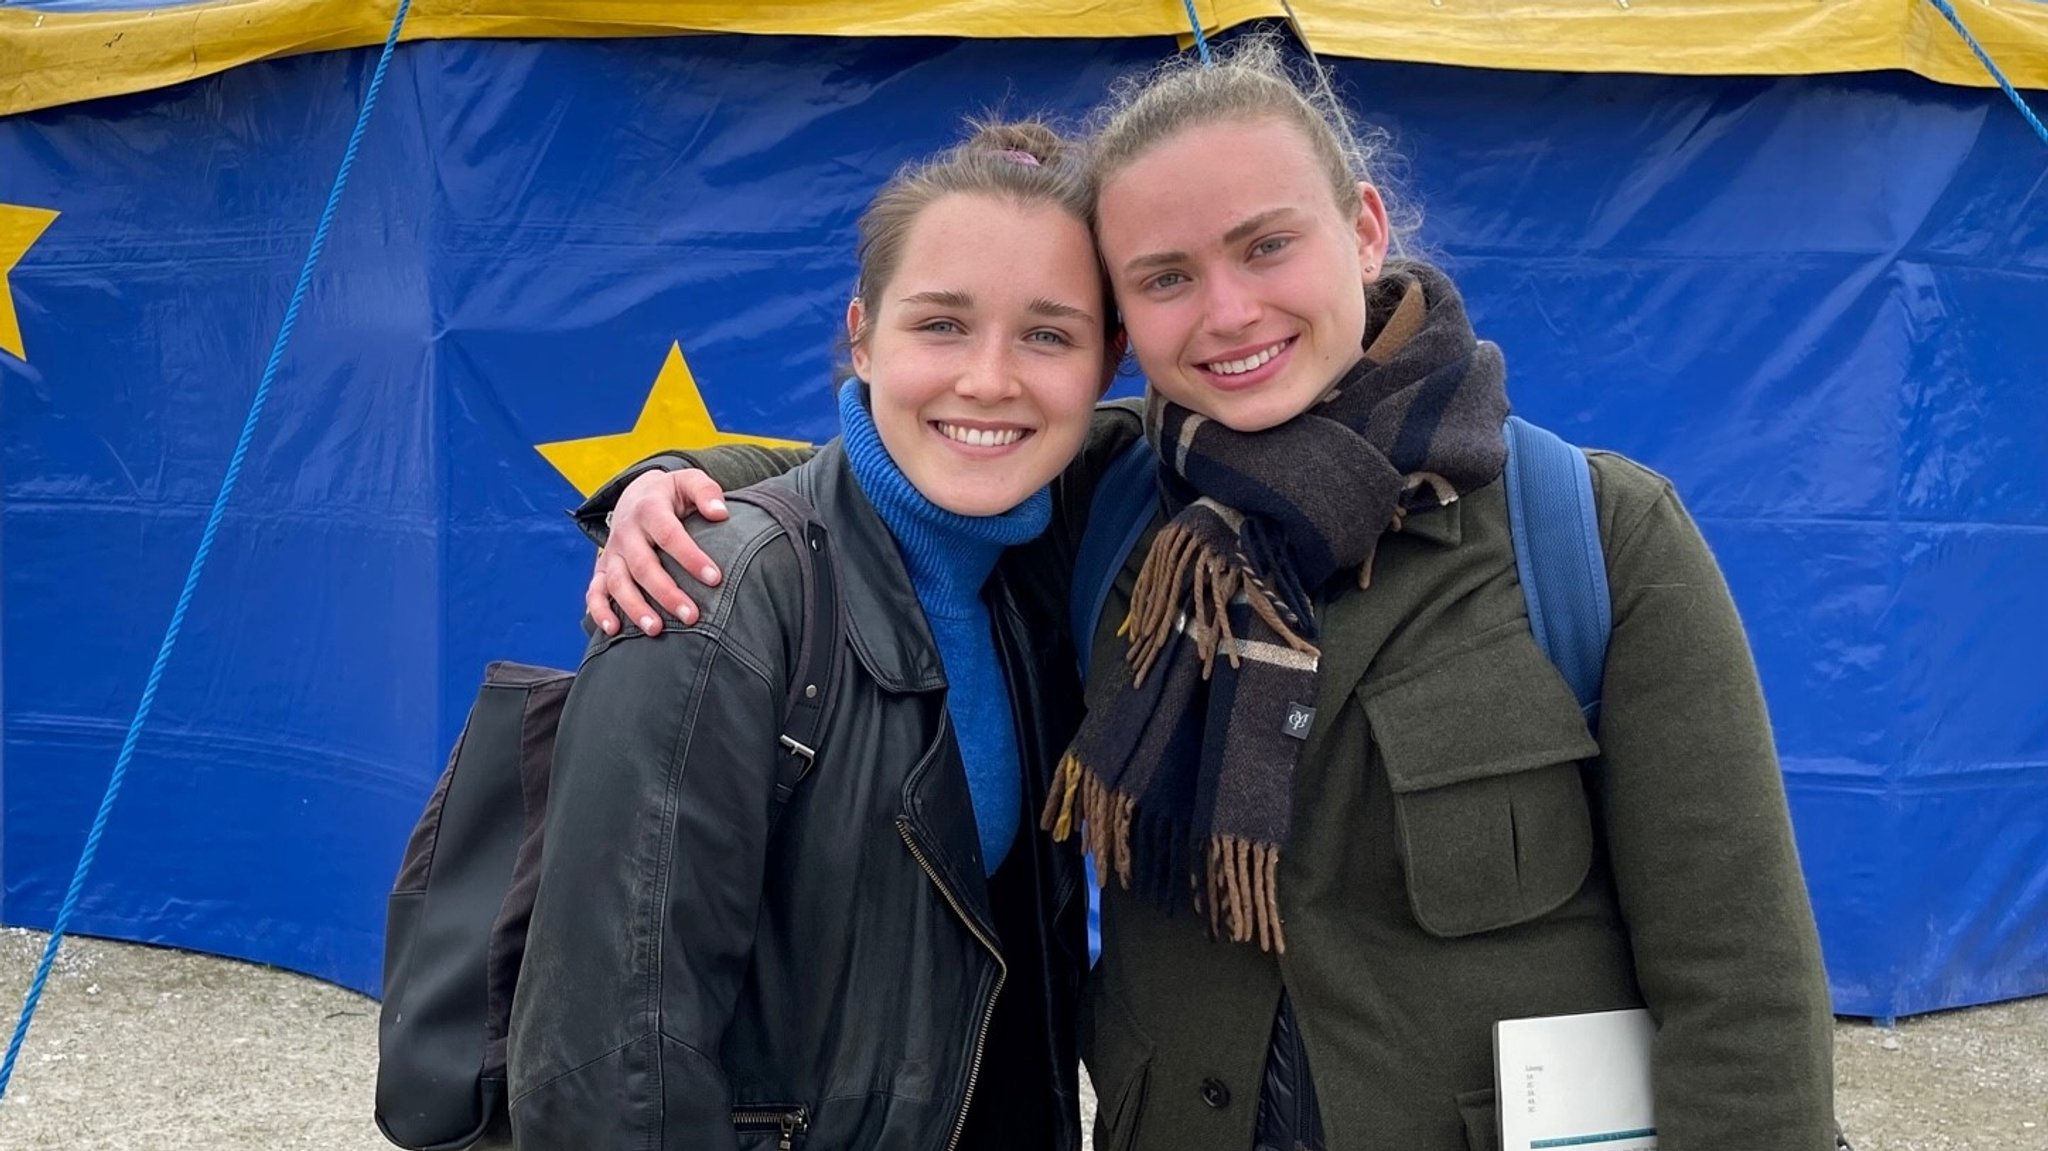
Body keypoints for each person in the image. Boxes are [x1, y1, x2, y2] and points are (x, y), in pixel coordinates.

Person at [583, 36, 1839, 1151]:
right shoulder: (1115, 495)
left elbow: (1737, 985)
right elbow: (912, 453)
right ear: (1125, 317)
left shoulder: (1593, 533)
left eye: (1265, 246)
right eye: (1166, 275)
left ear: (1359, 227)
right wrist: (685, 478)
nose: (1228, 311)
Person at [506, 118, 1143, 1151]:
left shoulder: (1042, 570)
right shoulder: (716, 594)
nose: (988, 378)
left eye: (1047, 333)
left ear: (1108, 359)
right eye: (940, 324)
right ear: (862, 333)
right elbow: (606, 1058)